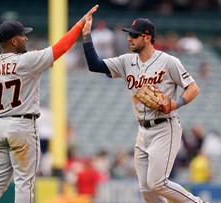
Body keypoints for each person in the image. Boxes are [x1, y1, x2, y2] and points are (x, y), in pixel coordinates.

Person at [0, 5, 99, 203]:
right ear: (13, 40)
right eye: (22, 35)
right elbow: (60, 48)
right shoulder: (27, 60)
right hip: (22, 126)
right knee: (24, 182)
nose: (26, 38)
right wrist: (79, 25)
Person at [82, 17, 208, 203]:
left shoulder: (168, 61)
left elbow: (193, 88)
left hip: (165, 126)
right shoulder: (127, 61)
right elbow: (95, 65)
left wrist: (176, 103)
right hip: (142, 131)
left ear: (147, 37)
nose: (129, 38)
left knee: (158, 183)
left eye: (133, 35)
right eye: (128, 35)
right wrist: (86, 35)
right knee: (147, 190)